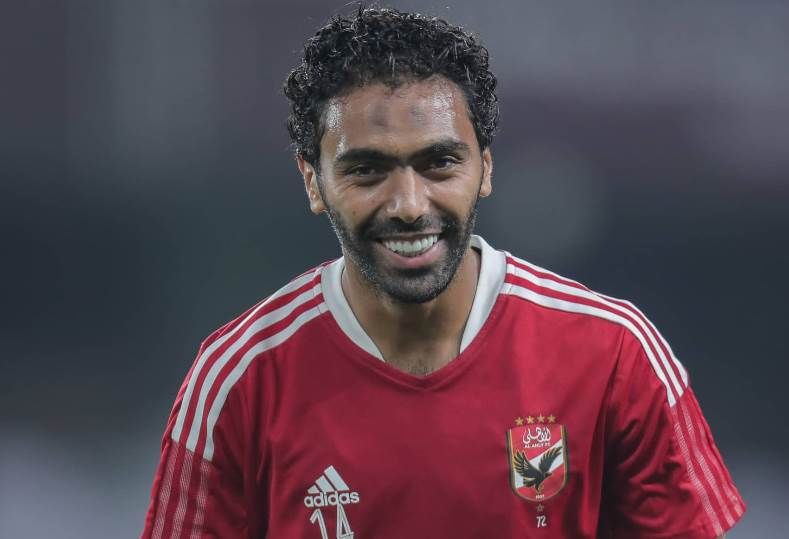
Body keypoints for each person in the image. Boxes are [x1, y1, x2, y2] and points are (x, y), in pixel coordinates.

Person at [141, 7, 745, 538]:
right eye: (367, 170)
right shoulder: (238, 379)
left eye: (439, 163)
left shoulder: (616, 355)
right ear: (312, 182)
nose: (409, 204)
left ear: (485, 168)